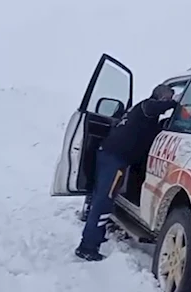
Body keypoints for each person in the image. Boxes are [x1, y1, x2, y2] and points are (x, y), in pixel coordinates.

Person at [75, 84, 179, 261]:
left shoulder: (142, 114)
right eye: (168, 98)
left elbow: (149, 132)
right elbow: (156, 107)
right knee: (104, 201)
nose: (169, 102)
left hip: (109, 155)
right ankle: (87, 247)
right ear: (162, 99)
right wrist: (177, 103)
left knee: (102, 198)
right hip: (115, 159)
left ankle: (95, 236)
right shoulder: (147, 106)